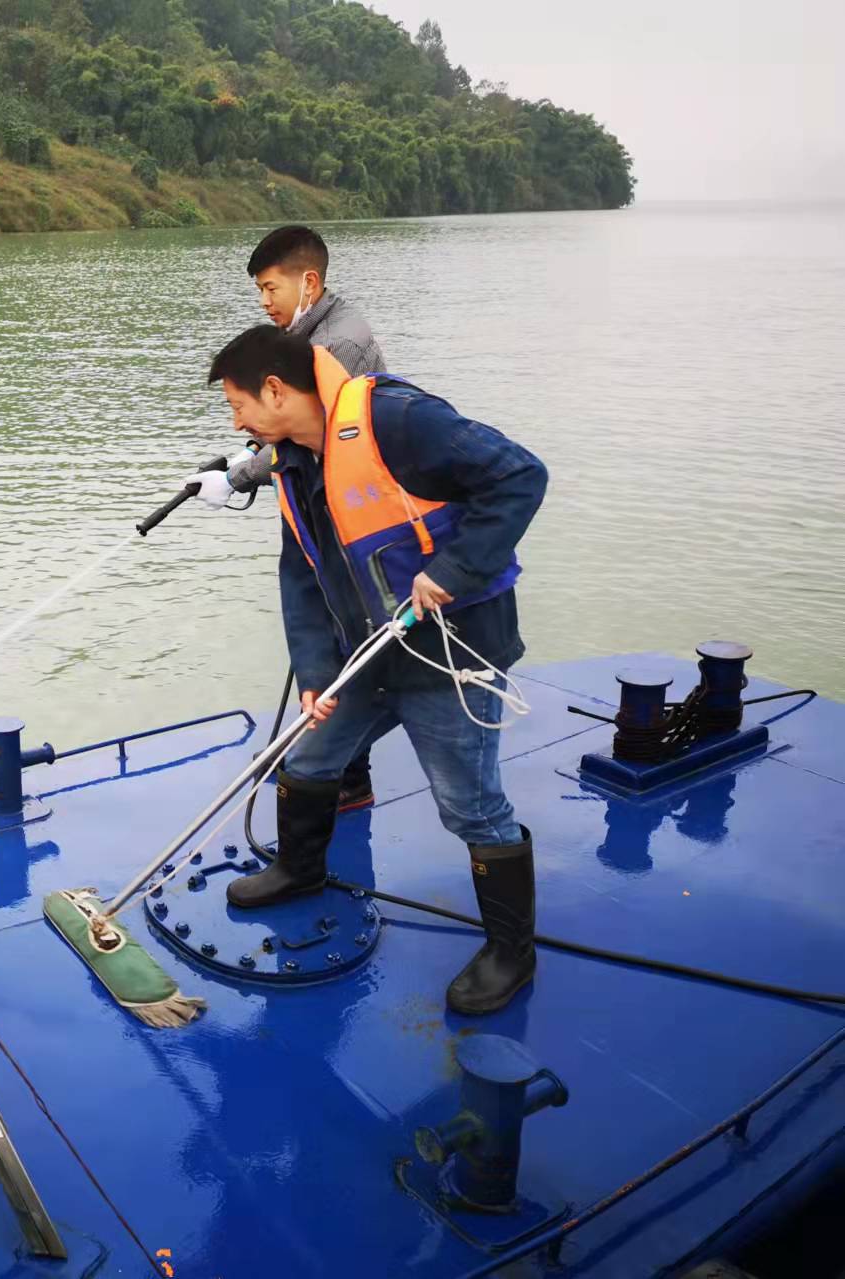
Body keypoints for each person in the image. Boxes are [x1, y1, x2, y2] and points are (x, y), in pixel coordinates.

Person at [201, 325, 548, 1015]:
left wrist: (453, 569)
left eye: (239, 405)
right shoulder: (292, 462)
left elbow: (520, 476)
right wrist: (313, 672)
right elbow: (301, 574)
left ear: (276, 389)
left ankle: (512, 950)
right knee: (310, 754)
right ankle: (300, 869)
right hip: (364, 653)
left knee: (471, 805)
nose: (236, 423)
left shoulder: (399, 419)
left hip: (449, 653)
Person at [194, 225, 386, 811]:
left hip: (344, 511)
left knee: (344, 629)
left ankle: (344, 774)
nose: (264, 301)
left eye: (270, 288)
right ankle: (333, 760)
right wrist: (249, 451)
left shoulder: (337, 344)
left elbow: (309, 436)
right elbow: (283, 426)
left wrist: (237, 477)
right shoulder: (305, 337)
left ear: (309, 282)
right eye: (258, 290)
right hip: (316, 499)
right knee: (320, 625)